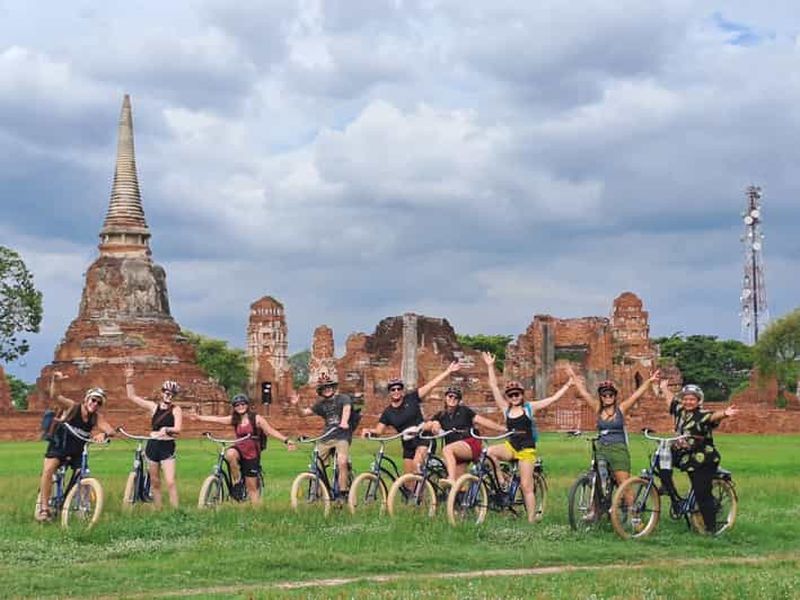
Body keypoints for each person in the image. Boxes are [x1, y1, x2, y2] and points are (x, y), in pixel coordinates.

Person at [483, 352, 574, 522]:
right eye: (511, 395)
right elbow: (494, 388)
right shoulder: (506, 409)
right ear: (508, 397)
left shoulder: (529, 408)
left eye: (517, 394)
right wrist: (490, 366)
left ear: (522, 395)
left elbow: (552, 399)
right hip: (511, 447)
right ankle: (502, 479)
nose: (514, 397)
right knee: (488, 452)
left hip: (526, 450)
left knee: (526, 486)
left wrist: (568, 385)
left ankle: (531, 520)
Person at [659, 380, 738, 533]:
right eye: (686, 399)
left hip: (703, 458)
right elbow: (672, 402)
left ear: (698, 400)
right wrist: (664, 388)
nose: (688, 402)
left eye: (692, 399)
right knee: (662, 458)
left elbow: (713, 417)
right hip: (685, 455)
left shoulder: (702, 414)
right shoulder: (681, 411)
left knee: (702, 493)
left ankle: (711, 528)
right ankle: (668, 488)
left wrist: (725, 414)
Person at [36, 371, 115, 522]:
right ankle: (44, 509)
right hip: (59, 446)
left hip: (78, 452)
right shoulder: (73, 407)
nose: (95, 404)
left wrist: (102, 435)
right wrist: (55, 381)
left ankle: (75, 506)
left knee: (83, 474)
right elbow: (56, 396)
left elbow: (110, 430)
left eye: (99, 402)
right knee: (48, 469)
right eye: (93, 400)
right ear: (86, 399)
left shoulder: (96, 417)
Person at [572, 367, 661, 498]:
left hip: (618, 448)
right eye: (604, 395)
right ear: (601, 397)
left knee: (623, 483)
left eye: (610, 395)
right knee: (597, 480)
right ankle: (596, 508)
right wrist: (573, 378)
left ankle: (634, 514)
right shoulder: (597, 408)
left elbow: (636, 395)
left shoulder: (621, 409)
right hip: (602, 449)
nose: (607, 397)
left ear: (614, 396)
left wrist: (649, 381)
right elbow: (585, 394)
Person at [191, 393, 295, 505]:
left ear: (247, 405)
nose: (240, 406)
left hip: (252, 453)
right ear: (234, 407)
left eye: (242, 404)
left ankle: (257, 512)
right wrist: (199, 417)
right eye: (237, 405)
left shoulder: (256, 418)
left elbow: (270, 430)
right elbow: (217, 419)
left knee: (252, 489)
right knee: (230, 454)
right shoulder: (235, 419)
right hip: (239, 448)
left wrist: (286, 440)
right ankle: (237, 482)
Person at [361, 361, 462, 475]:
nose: (396, 391)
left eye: (399, 388)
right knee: (408, 482)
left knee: (416, 465)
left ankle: (427, 478)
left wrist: (448, 371)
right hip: (407, 443)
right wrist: (368, 431)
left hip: (423, 437)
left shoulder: (411, 398)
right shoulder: (388, 412)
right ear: (389, 392)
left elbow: (431, 385)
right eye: (393, 389)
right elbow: (379, 431)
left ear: (402, 390)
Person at [422, 382, 506, 484]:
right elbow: (428, 424)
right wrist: (433, 424)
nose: (452, 399)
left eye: (456, 397)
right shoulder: (441, 415)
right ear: (445, 398)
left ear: (459, 400)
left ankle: (451, 479)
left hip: (469, 444)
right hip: (457, 452)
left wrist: (502, 428)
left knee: (447, 450)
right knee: (459, 485)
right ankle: (461, 493)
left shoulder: (464, 411)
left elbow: (483, 421)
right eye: (450, 396)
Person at [123, 365, 183, 509]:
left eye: (172, 393)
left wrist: (167, 429)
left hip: (167, 446)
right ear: (162, 392)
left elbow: (178, 429)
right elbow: (132, 397)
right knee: (155, 481)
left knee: (170, 481)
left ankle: (176, 510)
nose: (169, 395)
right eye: (167, 392)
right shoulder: (153, 407)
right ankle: (158, 509)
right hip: (153, 445)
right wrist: (129, 379)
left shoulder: (176, 409)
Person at [290, 372, 353, 496]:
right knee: (316, 464)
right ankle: (317, 493)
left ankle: (343, 492)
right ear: (321, 391)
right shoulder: (320, 404)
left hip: (342, 436)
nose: (327, 389)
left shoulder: (343, 398)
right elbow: (303, 413)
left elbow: (347, 409)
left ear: (333, 388)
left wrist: (344, 422)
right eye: (324, 387)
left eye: (329, 386)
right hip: (327, 436)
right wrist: (296, 405)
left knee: (342, 461)